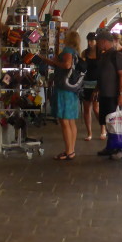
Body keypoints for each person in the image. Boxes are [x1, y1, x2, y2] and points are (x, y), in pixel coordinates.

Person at [45, 30, 81, 160]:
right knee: (71, 121)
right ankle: (71, 149)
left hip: (64, 88)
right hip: (72, 89)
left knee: (64, 121)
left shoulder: (68, 51)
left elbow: (66, 65)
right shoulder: (77, 52)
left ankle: (68, 151)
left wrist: (54, 62)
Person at [94, 31, 122, 160]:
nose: (97, 44)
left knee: (115, 122)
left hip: (113, 95)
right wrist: (97, 88)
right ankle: (110, 146)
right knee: (108, 122)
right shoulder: (104, 56)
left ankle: (119, 148)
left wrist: (121, 94)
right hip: (104, 94)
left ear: (104, 41)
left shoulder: (116, 56)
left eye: (98, 41)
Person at [79, 32, 100, 140]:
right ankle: (89, 133)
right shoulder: (84, 53)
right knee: (86, 109)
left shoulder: (101, 53)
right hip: (86, 83)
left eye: (91, 40)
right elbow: (81, 68)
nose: (89, 43)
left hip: (97, 83)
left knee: (96, 108)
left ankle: (103, 129)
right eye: (88, 40)